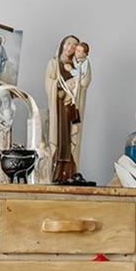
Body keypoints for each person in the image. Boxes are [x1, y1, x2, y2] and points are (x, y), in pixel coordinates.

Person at [43, 35, 92, 183]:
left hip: (71, 107)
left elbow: (85, 81)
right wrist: (59, 86)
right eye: (68, 43)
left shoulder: (79, 64)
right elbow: (48, 82)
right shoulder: (54, 63)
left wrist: (76, 80)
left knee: (71, 139)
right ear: (63, 44)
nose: (71, 47)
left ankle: (71, 172)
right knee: (59, 137)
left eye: (74, 45)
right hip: (58, 106)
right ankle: (56, 172)